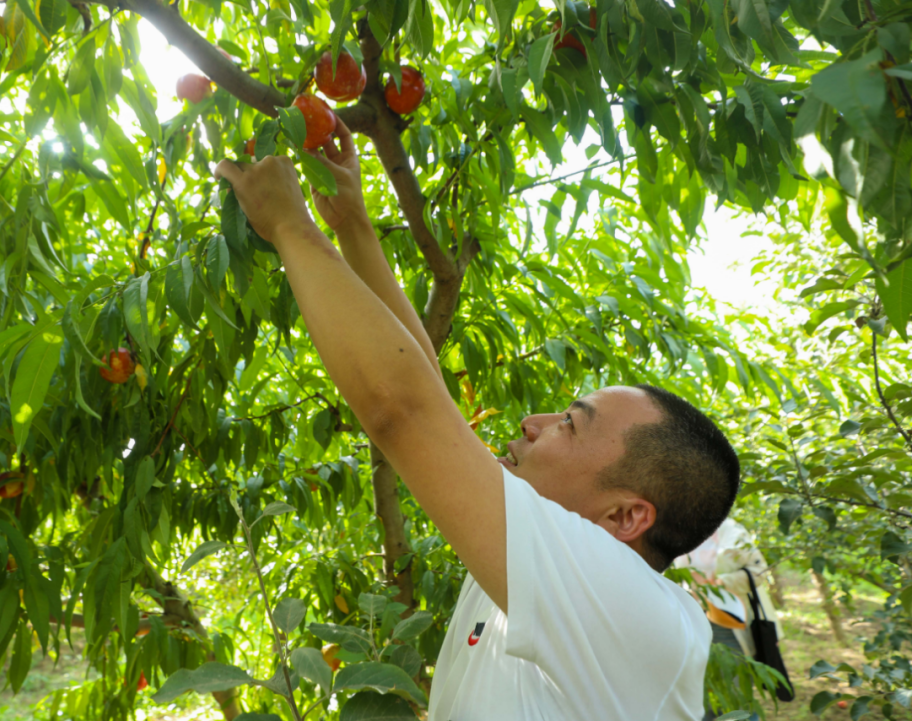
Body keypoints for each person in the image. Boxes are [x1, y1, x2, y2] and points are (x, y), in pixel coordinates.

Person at [213, 120, 741, 720]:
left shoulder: (637, 614)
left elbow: (403, 409)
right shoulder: (537, 569)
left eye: (570, 423)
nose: (535, 422)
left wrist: (289, 226)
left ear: (624, 517)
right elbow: (429, 396)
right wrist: (353, 227)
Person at [675, 517, 785, 719]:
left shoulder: (732, 531)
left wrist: (721, 583)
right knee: (701, 687)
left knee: (734, 687)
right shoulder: (679, 527)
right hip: (692, 621)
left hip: (729, 621)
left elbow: (758, 571)